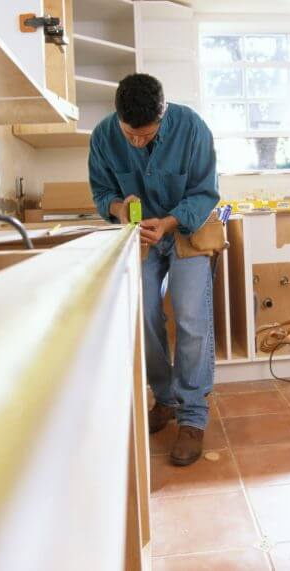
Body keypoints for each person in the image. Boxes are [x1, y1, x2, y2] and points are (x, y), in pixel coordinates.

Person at [88, 73, 219, 466]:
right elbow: (101, 193)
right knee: (144, 316)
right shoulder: (103, 136)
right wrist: (118, 208)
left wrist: (170, 222)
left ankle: (193, 416)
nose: (137, 142)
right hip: (139, 235)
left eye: (146, 135)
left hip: (186, 227)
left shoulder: (192, 127)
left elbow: (205, 192)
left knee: (191, 316)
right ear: (119, 118)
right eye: (131, 135)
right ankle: (164, 400)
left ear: (163, 115)